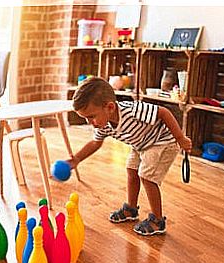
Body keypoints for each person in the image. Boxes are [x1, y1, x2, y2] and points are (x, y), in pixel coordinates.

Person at [67, 77, 192, 236]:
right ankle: (131, 209)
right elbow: (95, 143)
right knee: (131, 170)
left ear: (110, 107)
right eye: (85, 118)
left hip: (163, 141)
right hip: (142, 144)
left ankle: (158, 220)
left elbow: (163, 112)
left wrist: (180, 138)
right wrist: (76, 159)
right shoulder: (103, 124)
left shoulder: (132, 110)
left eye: (91, 116)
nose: (90, 122)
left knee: (147, 177)